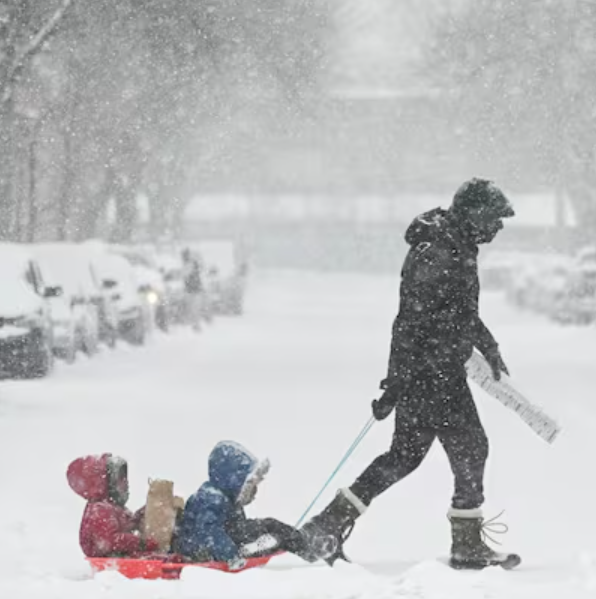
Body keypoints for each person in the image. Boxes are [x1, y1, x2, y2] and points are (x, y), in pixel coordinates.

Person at [300, 178, 521, 570]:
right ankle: (466, 546)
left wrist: (486, 343)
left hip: (432, 371)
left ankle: (328, 524)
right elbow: (410, 321)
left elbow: (458, 312)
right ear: (474, 215)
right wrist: (395, 382)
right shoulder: (439, 251)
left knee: (404, 457)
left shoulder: (454, 244)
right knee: (470, 447)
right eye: (495, 218)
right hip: (432, 373)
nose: (499, 227)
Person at [175, 441, 318, 567]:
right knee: (271, 527)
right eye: (248, 484)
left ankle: (297, 543)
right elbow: (209, 532)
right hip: (201, 549)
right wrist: (231, 555)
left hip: (225, 540)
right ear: (232, 479)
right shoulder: (211, 498)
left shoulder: (225, 497)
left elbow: (235, 526)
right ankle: (307, 548)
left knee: (270, 526)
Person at [67, 453, 159, 558]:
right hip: (109, 559)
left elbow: (126, 524)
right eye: (120, 479)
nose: (126, 483)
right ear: (105, 483)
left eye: (125, 478)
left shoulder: (113, 507)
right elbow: (111, 540)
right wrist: (142, 543)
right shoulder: (99, 510)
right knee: (155, 558)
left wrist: (141, 515)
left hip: (117, 555)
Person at [182, 248, 205, 331]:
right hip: (192, 290)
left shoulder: (191, 264)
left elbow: (185, 276)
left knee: (194, 308)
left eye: (185, 255)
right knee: (193, 308)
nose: (184, 257)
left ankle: (195, 324)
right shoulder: (188, 264)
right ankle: (194, 324)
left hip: (193, 290)